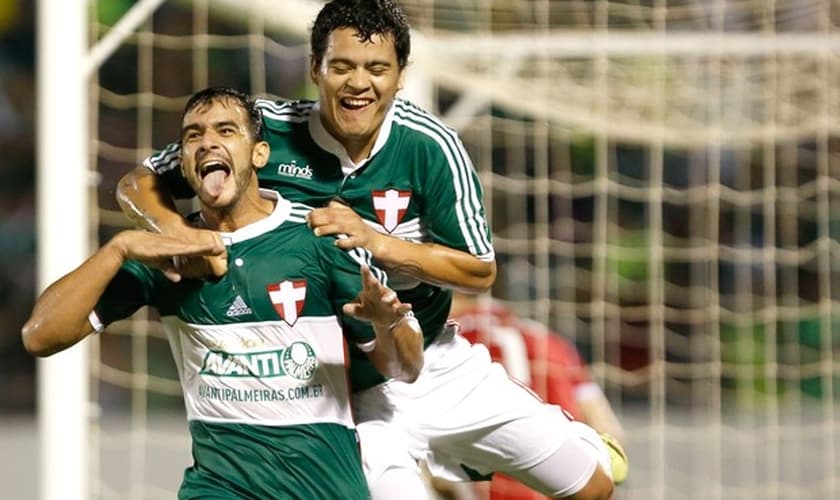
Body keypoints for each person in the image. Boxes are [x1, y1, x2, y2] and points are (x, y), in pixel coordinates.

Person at [115, 1, 624, 499]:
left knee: (594, 485)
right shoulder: (266, 130)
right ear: (315, 69)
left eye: (377, 68)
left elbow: (479, 270)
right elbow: (138, 182)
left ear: (400, 76)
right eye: (342, 67)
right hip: (347, 394)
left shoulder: (430, 145)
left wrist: (377, 242)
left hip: (435, 361)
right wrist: (179, 236)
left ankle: (569, 447)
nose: (358, 83)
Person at [22, 87, 424, 499]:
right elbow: (39, 335)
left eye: (226, 130)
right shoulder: (166, 257)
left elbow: (406, 368)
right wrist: (118, 248)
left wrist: (388, 321)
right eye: (193, 135)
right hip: (217, 488)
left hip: (322, 488)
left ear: (260, 154)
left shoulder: (319, 238)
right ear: (183, 164)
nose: (207, 142)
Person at [430, 292, 627, 500]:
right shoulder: (548, 339)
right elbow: (608, 428)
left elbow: (439, 477)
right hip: (567, 487)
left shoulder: (446, 343)